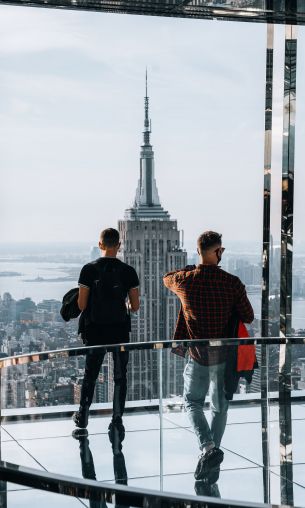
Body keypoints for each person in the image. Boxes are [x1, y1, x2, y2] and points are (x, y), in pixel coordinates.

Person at [163, 231, 254, 480]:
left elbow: (166, 279)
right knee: (219, 407)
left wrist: (192, 267)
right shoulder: (232, 283)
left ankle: (208, 449)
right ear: (219, 251)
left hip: (198, 355)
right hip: (224, 357)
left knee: (192, 402)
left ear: (199, 250)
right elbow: (248, 316)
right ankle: (212, 455)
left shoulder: (186, 280)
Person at [73, 228, 139, 436]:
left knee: (90, 374)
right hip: (119, 330)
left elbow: (82, 305)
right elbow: (135, 306)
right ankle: (117, 418)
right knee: (120, 375)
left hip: (94, 330)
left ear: (100, 245)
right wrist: (122, 307)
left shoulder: (88, 270)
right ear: (119, 245)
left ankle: (83, 414)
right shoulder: (128, 271)